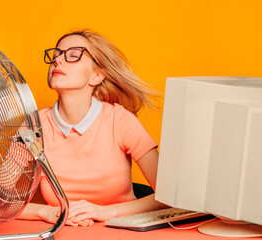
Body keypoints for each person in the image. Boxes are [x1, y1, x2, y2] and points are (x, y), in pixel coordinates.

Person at [18, 29, 166, 226]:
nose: (58, 61)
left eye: (73, 56)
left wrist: (104, 212)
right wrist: (48, 212)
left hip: (124, 232)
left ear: (96, 76)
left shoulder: (119, 120)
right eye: (55, 56)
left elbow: (170, 195)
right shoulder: (34, 127)